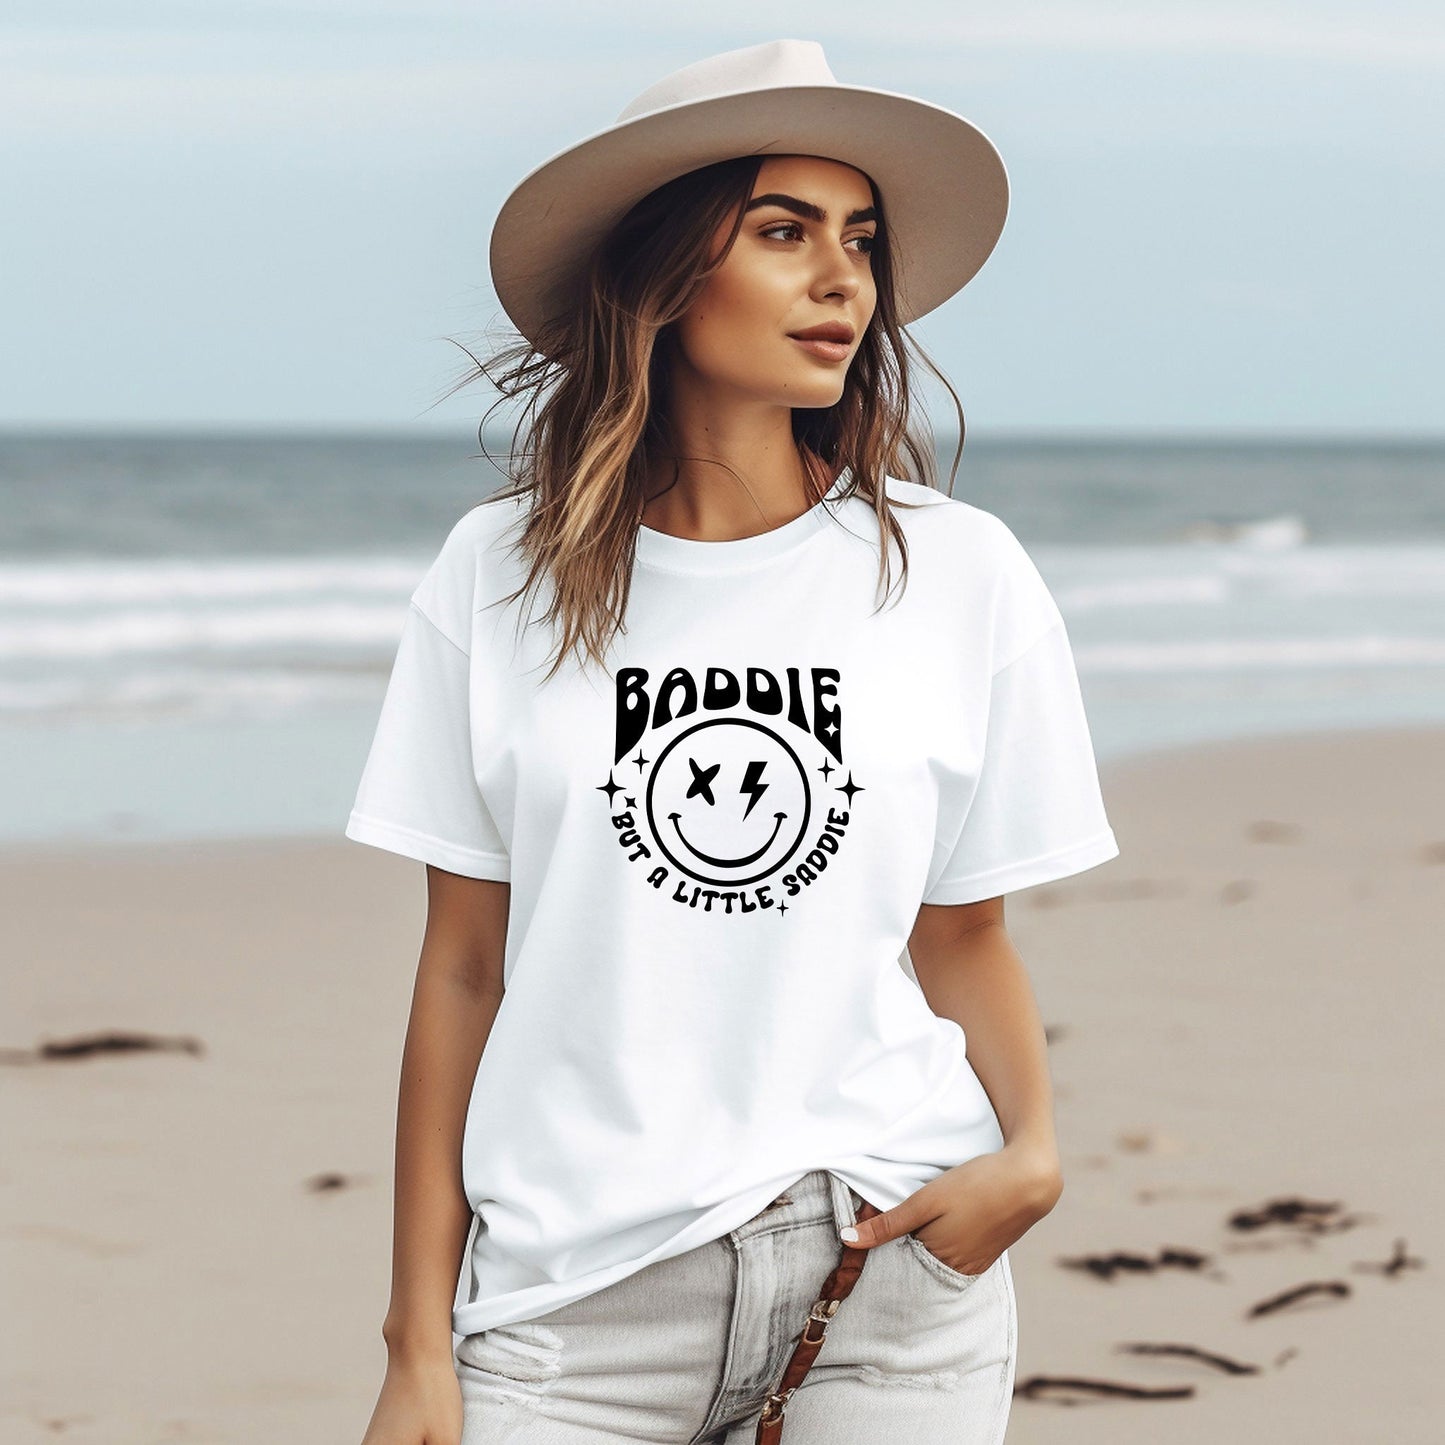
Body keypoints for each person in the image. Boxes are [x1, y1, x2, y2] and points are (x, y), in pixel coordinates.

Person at [346, 38, 1120, 1445]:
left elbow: (962, 935)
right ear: (662, 273)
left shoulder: (958, 574)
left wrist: (1033, 1154)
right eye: (781, 231)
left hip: (884, 1270)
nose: (841, 279)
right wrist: (417, 1342)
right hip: (571, 1301)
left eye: (860, 240)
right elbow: (461, 966)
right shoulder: (496, 576)